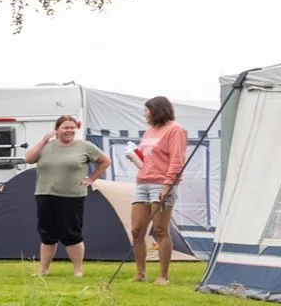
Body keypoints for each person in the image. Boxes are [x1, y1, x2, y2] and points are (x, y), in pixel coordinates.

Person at [21, 115, 109, 277]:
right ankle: (43, 269)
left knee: (72, 234)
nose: (69, 131)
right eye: (65, 127)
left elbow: (104, 161)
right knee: (47, 234)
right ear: (57, 129)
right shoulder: (46, 147)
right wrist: (43, 141)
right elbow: (29, 159)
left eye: (72, 128)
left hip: (72, 196)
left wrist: (91, 179)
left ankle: (78, 269)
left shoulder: (85, 146)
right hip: (45, 193)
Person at [128, 95, 188, 285]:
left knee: (161, 229)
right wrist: (135, 157)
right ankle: (140, 273)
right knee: (137, 229)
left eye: (147, 110)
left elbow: (177, 161)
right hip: (143, 182)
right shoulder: (149, 131)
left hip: (162, 183)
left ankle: (163, 276)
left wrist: (167, 185)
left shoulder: (175, 130)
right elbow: (149, 158)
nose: (145, 114)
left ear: (157, 110)